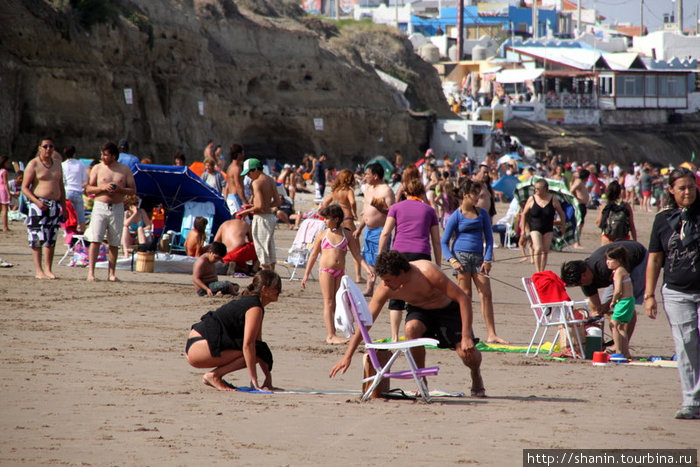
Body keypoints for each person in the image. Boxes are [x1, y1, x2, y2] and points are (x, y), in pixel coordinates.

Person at [329, 251, 485, 397]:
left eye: (388, 280)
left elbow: (463, 298)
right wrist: (347, 356)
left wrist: (466, 336)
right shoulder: (385, 288)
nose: (385, 284)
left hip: (448, 309)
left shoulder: (426, 271)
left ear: (402, 273)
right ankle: (421, 380)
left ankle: (475, 373)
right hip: (420, 310)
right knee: (411, 328)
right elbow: (366, 322)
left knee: (466, 353)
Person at [645, 167, 700, 419]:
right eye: (681, 188)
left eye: (691, 186)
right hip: (677, 292)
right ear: (671, 190)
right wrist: (649, 294)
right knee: (686, 344)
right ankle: (692, 402)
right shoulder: (662, 219)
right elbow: (655, 259)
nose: (687, 192)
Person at [186, 270, 281, 391]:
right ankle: (214, 376)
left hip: (198, 344)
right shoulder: (255, 307)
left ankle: (215, 375)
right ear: (264, 289)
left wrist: (268, 380)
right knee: (254, 350)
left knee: (259, 349)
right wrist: (254, 381)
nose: (279, 291)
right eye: (276, 287)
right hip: (200, 346)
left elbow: (259, 343)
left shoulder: (254, 304)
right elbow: (249, 345)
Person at [442, 179, 509, 345]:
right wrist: (452, 261)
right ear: (465, 195)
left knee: (486, 295)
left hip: (479, 258)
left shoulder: (482, 214)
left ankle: (492, 334)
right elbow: (444, 242)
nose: (478, 198)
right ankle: (467, 333)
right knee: (466, 296)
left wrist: (487, 259)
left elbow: (488, 238)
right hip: (461, 258)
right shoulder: (455, 216)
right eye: (475, 195)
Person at [379, 178, 441, 342]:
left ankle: (394, 336)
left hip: (399, 254)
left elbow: (385, 233)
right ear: (422, 192)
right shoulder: (429, 210)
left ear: (405, 193)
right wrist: (438, 264)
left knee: (396, 296)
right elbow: (436, 240)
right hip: (421, 254)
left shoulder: (396, 208)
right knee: (420, 294)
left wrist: (380, 256)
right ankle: (417, 333)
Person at [301, 205, 374, 344]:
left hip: (340, 272)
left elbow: (357, 255)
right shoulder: (322, 234)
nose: (324, 221)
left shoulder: (346, 234)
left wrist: (367, 269)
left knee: (338, 302)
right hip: (325, 271)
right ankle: (330, 335)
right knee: (328, 302)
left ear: (336, 219)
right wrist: (306, 274)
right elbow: (313, 255)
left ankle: (336, 330)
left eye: (327, 218)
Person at [561, 240, 648, 344]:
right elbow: (595, 311)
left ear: (584, 274)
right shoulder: (585, 282)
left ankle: (622, 344)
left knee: (626, 305)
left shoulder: (605, 267)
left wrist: (608, 304)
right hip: (614, 273)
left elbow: (622, 291)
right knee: (606, 309)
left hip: (638, 258)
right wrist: (597, 341)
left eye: (580, 282)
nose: (581, 285)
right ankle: (608, 343)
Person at [84, 141, 137, 282]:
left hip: (117, 207)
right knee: (95, 239)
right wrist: (103, 188)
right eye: (102, 154)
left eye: (106, 155)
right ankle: (91, 272)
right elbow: (88, 188)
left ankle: (111, 273)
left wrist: (119, 189)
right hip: (100, 206)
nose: (103, 157)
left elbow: (133, 190)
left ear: (114, 156)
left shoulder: (124, 169)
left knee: (114, 242)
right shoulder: (97, 168)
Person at [21, 138, 67, 279]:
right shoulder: (33, 164)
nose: (48, 149)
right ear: (40, 148)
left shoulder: (58, 164)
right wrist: (36, 202)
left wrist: (64, 207)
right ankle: (38, 270)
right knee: (36, 237)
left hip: (54, 204)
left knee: (50, 238)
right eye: (45, 146)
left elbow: (61, 187)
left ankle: (48, 269)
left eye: (51, 146)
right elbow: (24, 188)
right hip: (38, 204)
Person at [354, 162, 395, 296]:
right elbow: (366, 211)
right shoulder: (368, 188)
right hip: (368, 229)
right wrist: (359, 228)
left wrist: (380, 208)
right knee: (369, 259)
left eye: (367, 174)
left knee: (381, 260)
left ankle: (388, 287)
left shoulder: (386, 190)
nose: (365, 176)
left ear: (376, 176)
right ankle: (370, 288)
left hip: (381, 230)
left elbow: (392, 212)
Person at [238, 158, 281, 270]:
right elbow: (277, 202)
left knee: (262, 250)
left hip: (261, 219)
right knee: (269, 248)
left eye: (249, 173)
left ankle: (267, 279)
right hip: (270, 218)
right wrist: (265, 206)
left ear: (256, 169)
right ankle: (273, 276)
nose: (248, 176)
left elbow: (259, 206)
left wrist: (245, 212)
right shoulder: (270, 180)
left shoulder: (256, 183)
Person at [321, 168, 361, 281]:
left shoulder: (335, 191)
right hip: (347, 218)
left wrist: (329, 213)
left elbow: (324, 203)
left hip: (337, 220)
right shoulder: (349, 191)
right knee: (355, 248)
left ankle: (339, 271)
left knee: (340, 247)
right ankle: (358, 276)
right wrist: (354, 212)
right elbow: (352, 201)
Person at [519, 178, 566, 272]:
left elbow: (561, 213)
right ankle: (538, 272)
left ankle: (542, 271)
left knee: (545, 251)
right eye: (535, 188)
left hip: (548, 228)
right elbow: (523, 214)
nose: (535, 190)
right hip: (535, 227)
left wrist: (563, 226)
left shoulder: (553, 199)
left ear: (545, 189)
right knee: (538, 248)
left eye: (538, 189)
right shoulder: (532, 199)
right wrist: (523, 230)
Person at [605, 245, 634, 358]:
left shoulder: (619, 271)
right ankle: (626, 353)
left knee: (614, 325)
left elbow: (617, 290)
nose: (608, 262)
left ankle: (618, 351)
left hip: (624, 301)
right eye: (607, 259)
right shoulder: (621, 270)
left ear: (619, 260)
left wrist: (613, 301)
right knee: (621, 327)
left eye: (610, 260)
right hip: (628, 300)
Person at [595, 180, 636, 246]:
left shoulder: (605, 205)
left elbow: (598, 222)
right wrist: (635, 241)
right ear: (619, 192)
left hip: (607, 238)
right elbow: (632, 225)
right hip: (623, 239)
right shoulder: (626, 206)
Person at [61, 146, 88, 232]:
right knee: (80, 215)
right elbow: (85, 180)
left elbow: (62, 180)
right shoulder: (80, 164)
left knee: (68, 215)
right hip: (77, 191)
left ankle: (68, 235)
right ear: (74, 154)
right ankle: (82, 236)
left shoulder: (63, 165)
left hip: (67, 191)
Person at [223, 144, 247, 214]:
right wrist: (245, 201)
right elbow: (238, 186)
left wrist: (225, 198)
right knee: (240, 221)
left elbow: (227, 185)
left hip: (230, 197)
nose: (243, 155)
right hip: (236, 197)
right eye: (242, 153)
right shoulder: (237, 169)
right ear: (239, 154)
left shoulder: (230, 167)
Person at [569, 168, 590, 249]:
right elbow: (571, 190)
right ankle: (576, 243)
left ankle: (577, 242)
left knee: (581, 224)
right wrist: (576, 199)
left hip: (583, 205)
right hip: (580, 205)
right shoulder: (579, 182)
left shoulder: (581, 182)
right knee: (579, 224)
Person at [0, 156, 11, 232]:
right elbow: (6, 183)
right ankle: (5, 226)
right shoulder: (4, 171)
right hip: (3, 190)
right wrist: (9, 193)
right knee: (5, 209)